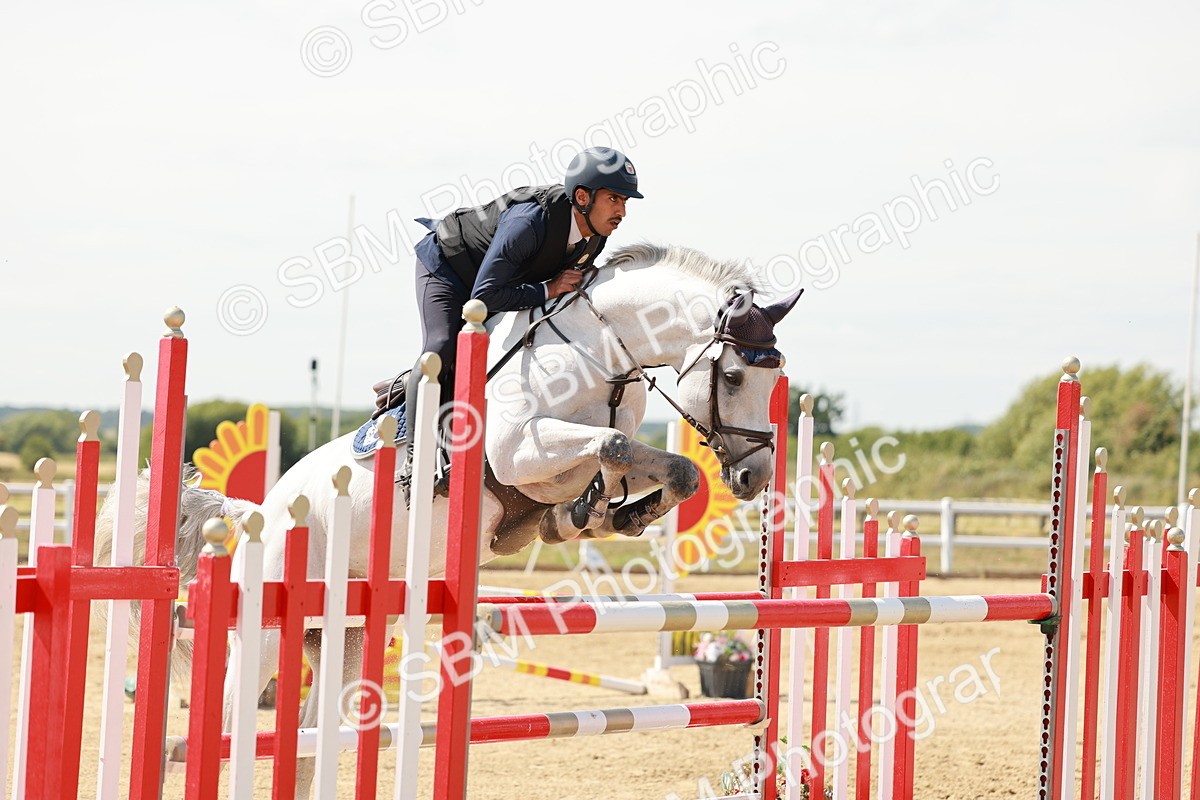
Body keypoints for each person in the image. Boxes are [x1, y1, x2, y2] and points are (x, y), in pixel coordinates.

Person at [391, 146, 643, 504]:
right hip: (450, 268)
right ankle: (415, 466)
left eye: (626, 201)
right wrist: (547, 288)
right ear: (583, 197)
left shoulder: (596, 236)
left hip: (501, 283)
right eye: (615, 198)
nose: (622, 211)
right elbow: (485, 297)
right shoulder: (531, 221)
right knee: (443, 346)